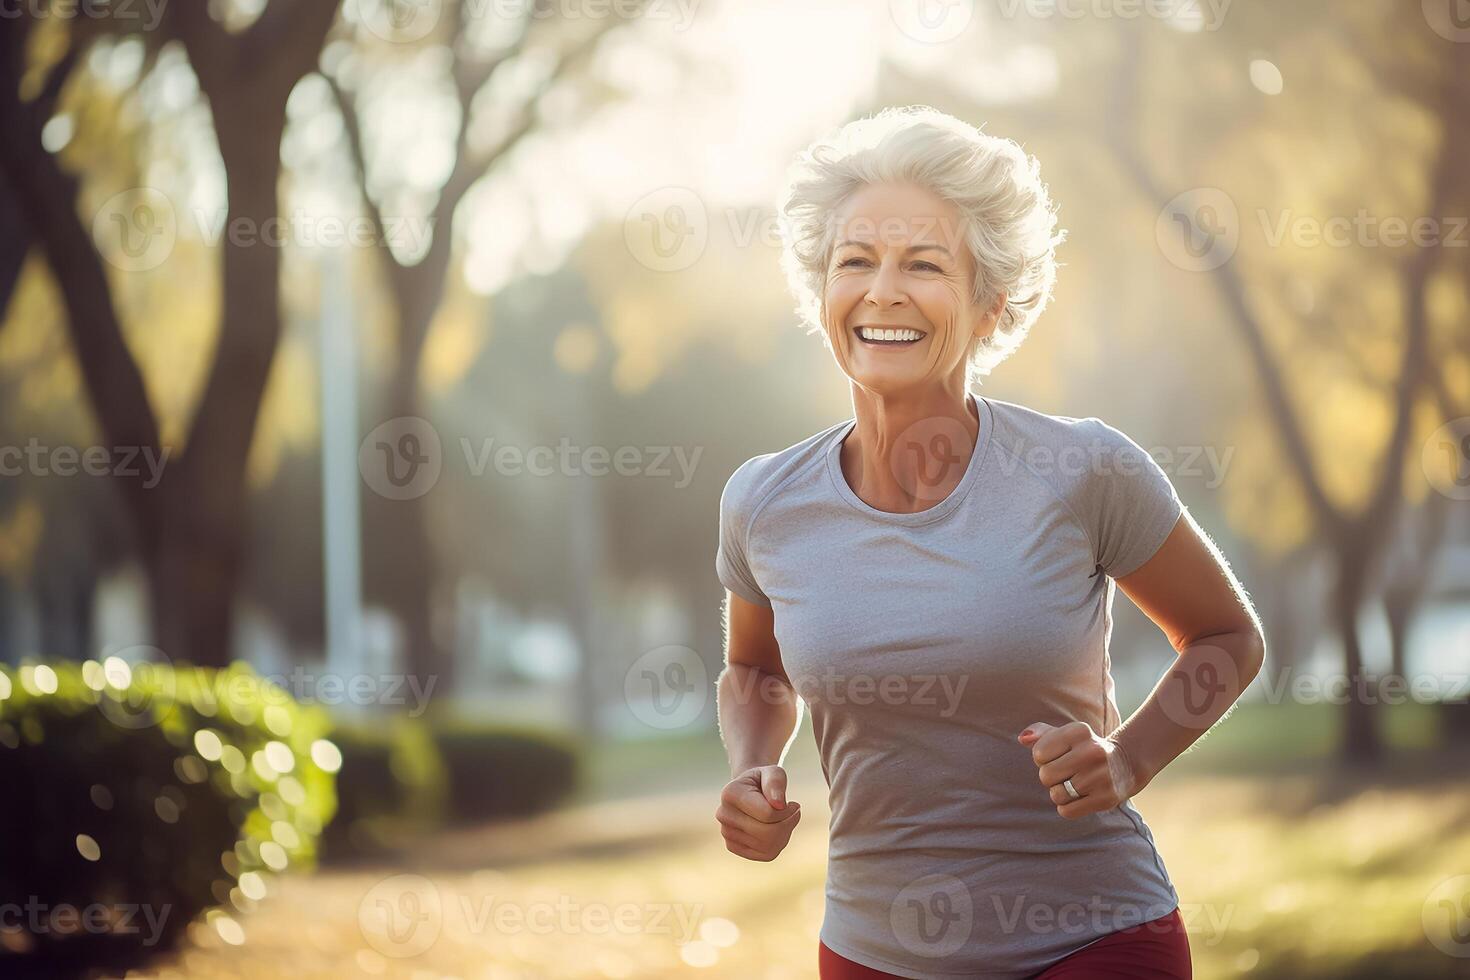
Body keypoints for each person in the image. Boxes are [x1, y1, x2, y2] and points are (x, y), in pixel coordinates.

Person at [712, 106, 1265, 980]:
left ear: (988, 307)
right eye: (855, 261)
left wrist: (1129, 759)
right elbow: (756, 672)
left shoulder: (1082, 470)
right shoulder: (765, 501)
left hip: (1094, 943)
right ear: (823, 295)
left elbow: (1228, 638)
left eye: (924, 265)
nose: (883, 290)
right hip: (872, 952)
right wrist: (750, 768)